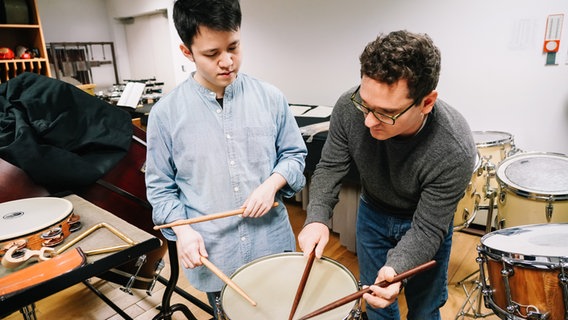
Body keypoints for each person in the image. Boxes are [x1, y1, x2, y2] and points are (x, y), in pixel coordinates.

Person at [298, 30, 476, 320]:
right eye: (365, 105)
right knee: (377, 302)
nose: (368, 121)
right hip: (373, 213)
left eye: (385, 113)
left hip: (425, 223)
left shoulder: (454, 148)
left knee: (424, 309)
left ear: (427, 103)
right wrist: (317, 218)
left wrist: (397, 268)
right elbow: (330, 167)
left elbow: (428, 229)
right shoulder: (348, 107)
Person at [144, 0, 307, 316]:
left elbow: (294, 156)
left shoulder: (271, 98)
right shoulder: (165, 115)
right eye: (212, 54)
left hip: (272, 246)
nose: (227, 61)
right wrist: (184, 231)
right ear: (187, 52)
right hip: (216, 255)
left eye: (234, 47)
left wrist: (272, 183)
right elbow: (161, 190)